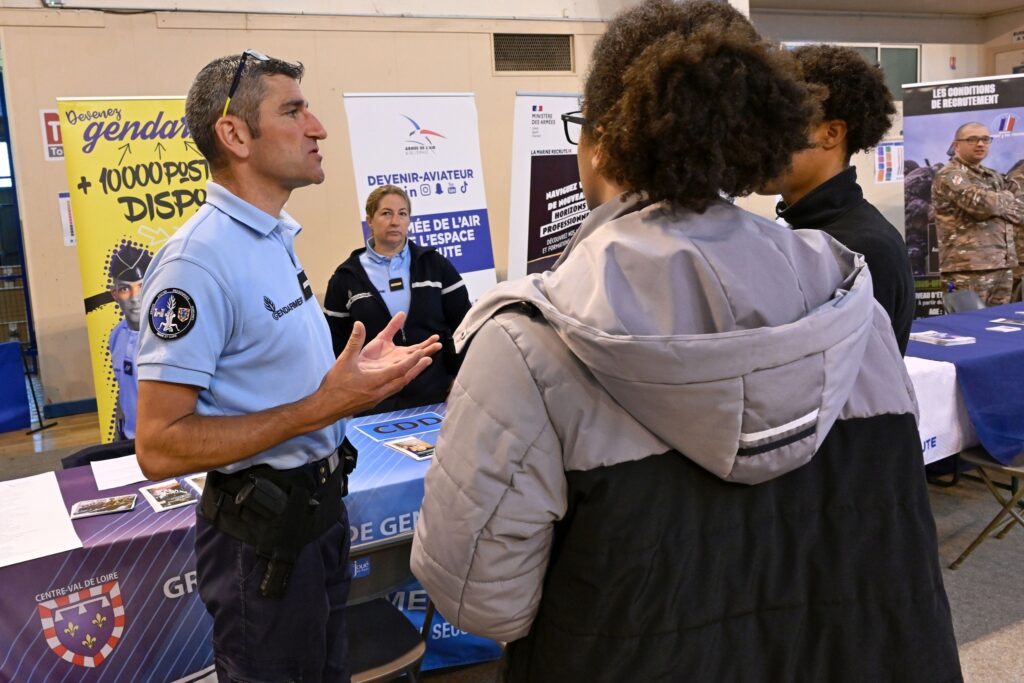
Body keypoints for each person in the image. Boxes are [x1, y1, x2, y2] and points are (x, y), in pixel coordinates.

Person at [411, 2, 961, 680]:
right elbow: (887, 529)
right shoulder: (852, 300)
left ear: (601, 140)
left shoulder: (529, 342)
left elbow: (482, 603)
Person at [135, 51, 439, 682]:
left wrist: (346, 378)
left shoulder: (273, 237)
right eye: (294, 111)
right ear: (235, 134)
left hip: (319, 515)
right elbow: (159, 446)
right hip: (263, 542)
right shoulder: (197, 262)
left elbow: (267, 376)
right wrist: (322, 407)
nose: (317, 128)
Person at [761, 45, 915, 354]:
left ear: (831, 133)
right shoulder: (794, 227)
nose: (756, 144)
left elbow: (859, 370)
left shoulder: (861, 247)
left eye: (779, 126)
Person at [324, 184, 470, 411]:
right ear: (369, 220)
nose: (395, 221)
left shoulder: (435, 265)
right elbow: (334, 345)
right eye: (386, 213)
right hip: (373, 403)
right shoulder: (346, 277)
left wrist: (459, 377)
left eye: (402, 213)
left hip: (436, 395)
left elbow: (465, 327)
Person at [932, 121, 1024, 306]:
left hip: (1003, 266)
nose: (980, 144)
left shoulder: (994, 176)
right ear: (956, 145)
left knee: (1000, 322)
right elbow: (983, 206)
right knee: (970, 322)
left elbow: (1020, 211)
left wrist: (997, 203)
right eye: (972, 139)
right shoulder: (950, 175)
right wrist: (1004, 199)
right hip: (966, 269)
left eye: (985, 139)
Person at [106, 242, 152, 439]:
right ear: (115, 295)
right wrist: (118, 437)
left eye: (141, 286)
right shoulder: (117, 335)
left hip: (161, 441)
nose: (135, 297)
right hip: (129, 439)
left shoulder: (169, 335)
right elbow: (124, 389)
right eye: (125, 289)